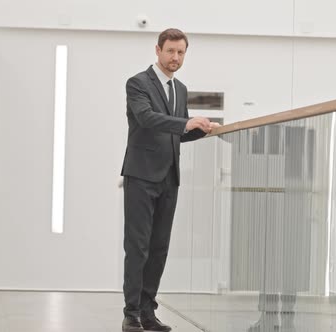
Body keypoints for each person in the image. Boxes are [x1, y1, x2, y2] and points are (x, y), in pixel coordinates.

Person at [120, 28, 220, 332]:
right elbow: (147, 118)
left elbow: (177, 132)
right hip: (140, 176)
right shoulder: (137, 83)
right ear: (157, 50)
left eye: (181, 52)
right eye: (170, 51)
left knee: (159, 247)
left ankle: (149, 313)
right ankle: (131, 314)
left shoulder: (180, 89)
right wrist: (185, 122)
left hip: (169, 177)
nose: (175, 57)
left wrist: (201, 130)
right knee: (138, 247)